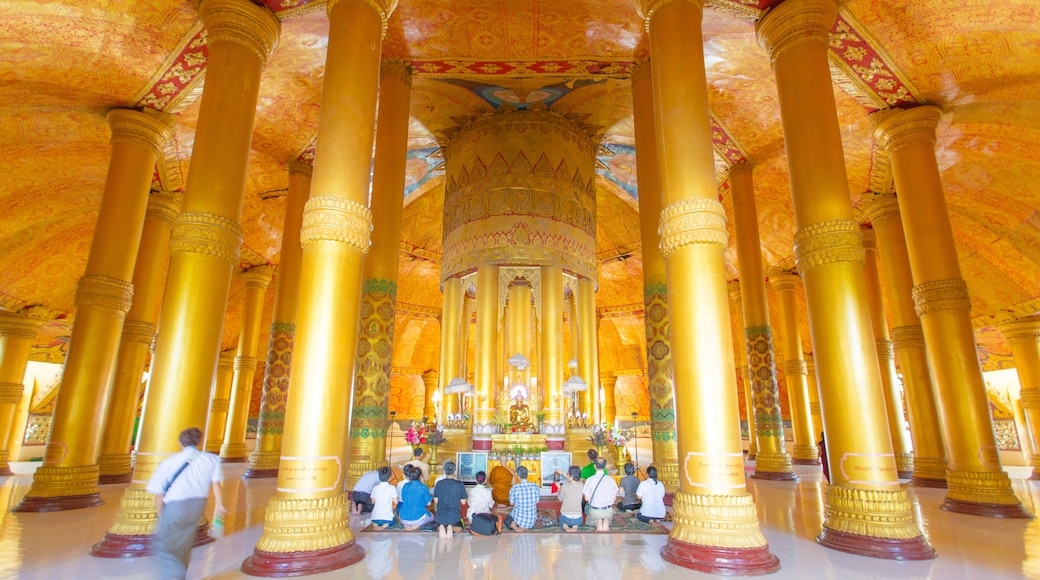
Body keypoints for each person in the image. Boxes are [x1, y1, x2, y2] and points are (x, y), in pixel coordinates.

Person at [146, 427, 225, 580]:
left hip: (176, 505)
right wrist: (220, 505)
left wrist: (161, 515)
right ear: (199, 442)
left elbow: (158, 493)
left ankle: (174, 576)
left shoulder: (169, 462)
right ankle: (179, 572)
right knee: (185, 541)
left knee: (166, 545)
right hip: (198, 506)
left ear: (180, 443)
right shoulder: (211, 459)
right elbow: (216, 484)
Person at [433, 460, 467, 538]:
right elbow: (463, 502)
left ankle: (443, 527)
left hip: (440, 515)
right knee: (459, 527)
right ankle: (450, 527)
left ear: (444, 471)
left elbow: (436, 501)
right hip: (454, 516)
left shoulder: (439, 484)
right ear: (455, 472)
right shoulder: (459, 485)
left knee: (441, 524)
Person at [583, 458, 619, 532]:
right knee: (608, 519)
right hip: (608, 511)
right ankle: (606, 521)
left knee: (589, 522)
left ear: (594, 466)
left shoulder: (589, 480)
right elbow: (614, 498)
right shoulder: (611, 480)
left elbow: (586, 498)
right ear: (605, 466)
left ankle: (597, 522)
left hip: (595, 511)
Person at [504, 465, 540, 532]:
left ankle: (515, 527)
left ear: (518, 477)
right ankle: (526, 527)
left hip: (518, 520)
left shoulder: (515, 488)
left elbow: (511, 503)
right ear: (527, 475)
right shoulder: (535, 486)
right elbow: (537, 501)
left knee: (507, 520)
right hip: (531, 522)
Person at [398, 464, 433, 530]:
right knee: (431, 516)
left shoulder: (405, 485)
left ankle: (407, 525)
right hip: (418, 518)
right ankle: (417, 525)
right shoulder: (423, 487)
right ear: (420, 476)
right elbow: (429, 503)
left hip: (403, 517)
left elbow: (403, 499)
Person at [556, 466, 584, 532]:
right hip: (578, 518)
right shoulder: (581, 485)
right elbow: (573, 479)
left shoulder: (564, 486)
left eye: (568, 473)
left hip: (566, 518)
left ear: (570, 475)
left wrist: (559, 488)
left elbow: (560, 499)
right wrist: (563, 473)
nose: (567, 474)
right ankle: (575, 526)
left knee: (561, 520)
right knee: (577, 521)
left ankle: (566, 527)